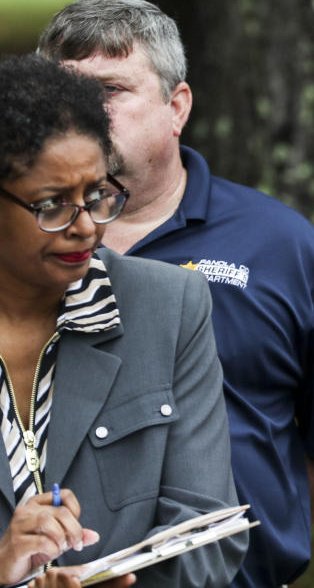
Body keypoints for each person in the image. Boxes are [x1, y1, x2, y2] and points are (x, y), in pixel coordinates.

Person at [36, 0, 314, 588]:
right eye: (62, 92)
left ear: (177, 107)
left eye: (111, 90)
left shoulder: (280, 246)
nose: (81, 112)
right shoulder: (21, 248)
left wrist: (265, 535)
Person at [0, 55, 246, 588]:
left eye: (95, 196)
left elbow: (212, 531)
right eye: (52, 205)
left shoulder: (168, 306)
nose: (85, 227)